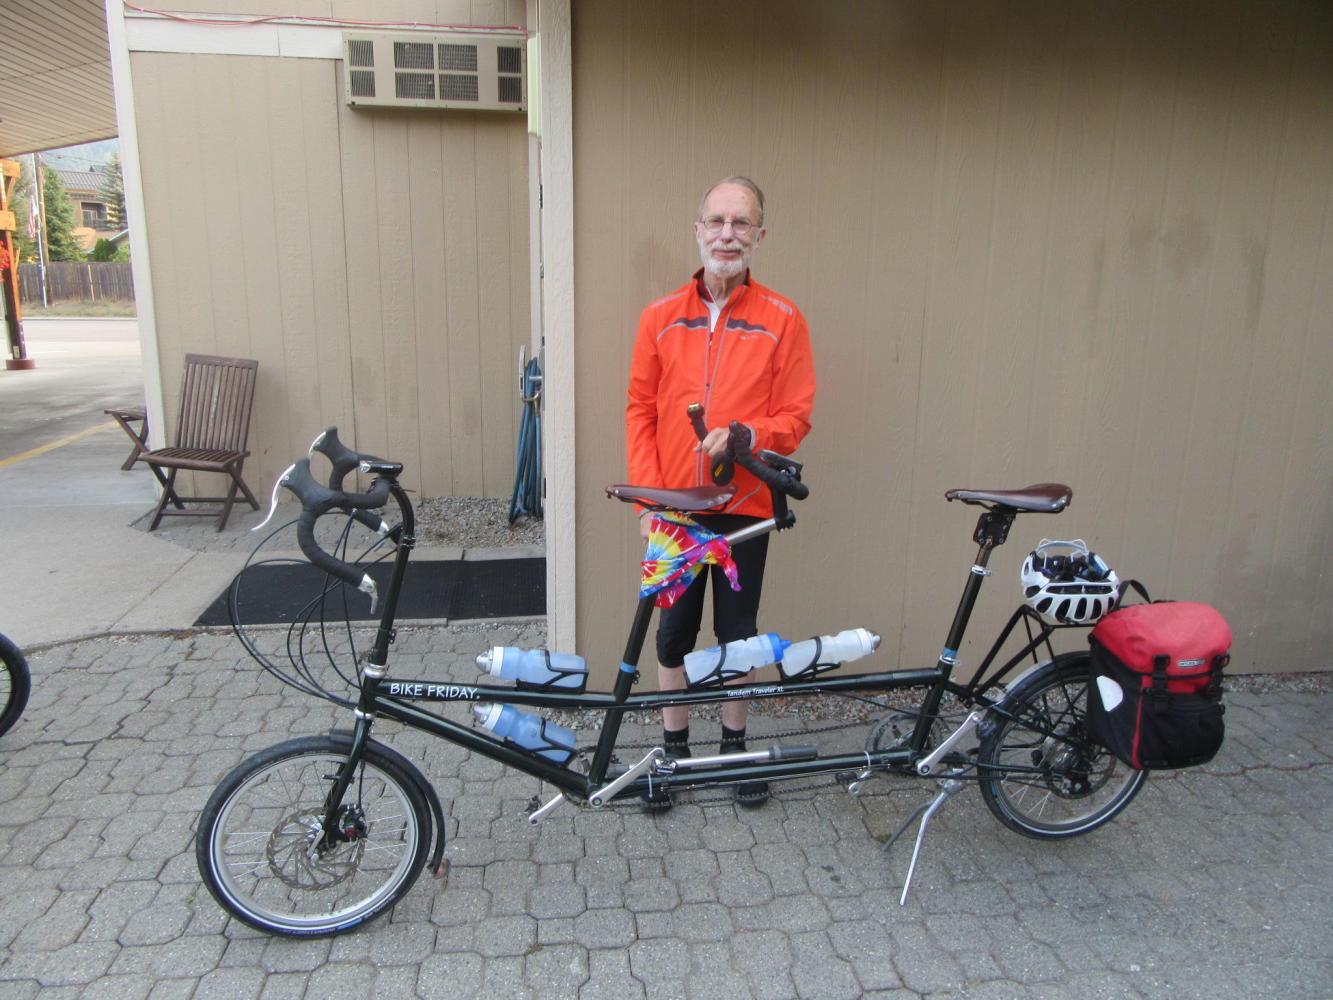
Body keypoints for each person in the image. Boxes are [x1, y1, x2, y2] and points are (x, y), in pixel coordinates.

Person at [625, 176, 816, 811]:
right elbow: (639, 411)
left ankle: (736, 749)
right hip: (675, 509)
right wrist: (650, 501)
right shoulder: (658, 318)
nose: (727, 235)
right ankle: (673, 753)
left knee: (739, 634)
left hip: (745, 508)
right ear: (698, 230)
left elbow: (796, 415)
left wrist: (745, 434)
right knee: (672, 633)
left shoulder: (783, 319)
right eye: (717, 221)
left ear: (760, 236)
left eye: (741, 223)